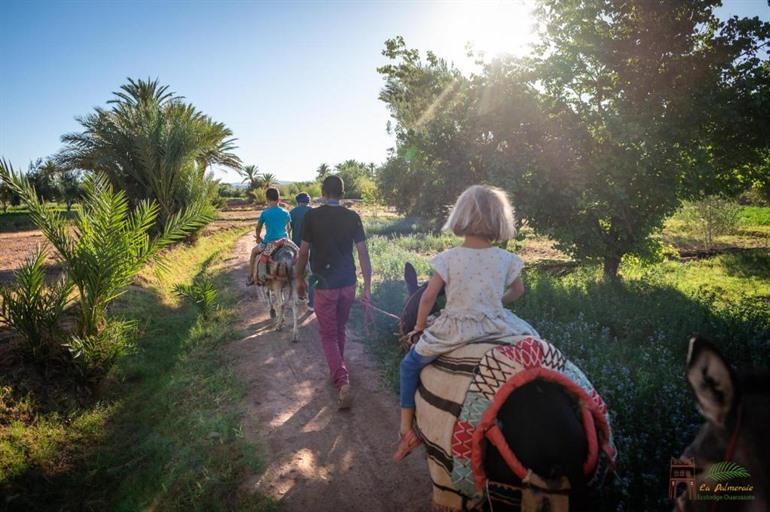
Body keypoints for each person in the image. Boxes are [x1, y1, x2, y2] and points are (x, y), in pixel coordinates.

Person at [393, 185, 539, 461]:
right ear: (499, 220)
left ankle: (405, 429)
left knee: (408, 366)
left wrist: (419, 328)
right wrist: (493, 304)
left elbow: (427, 298)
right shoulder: (506, 258)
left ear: (460, 217)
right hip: (497, 324)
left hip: (455, 329)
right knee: (537, 346)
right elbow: (518, 291)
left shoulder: (449, 258)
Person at [295, 176, 372, 410]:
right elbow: (363, 253)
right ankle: (337, 369)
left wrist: (299, 278)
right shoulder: (352, 217)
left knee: (328, 334)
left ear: (322, 192)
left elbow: (304, 252)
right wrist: (367, 286)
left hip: (324, 284)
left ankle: (341, 381)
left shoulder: (311, 216)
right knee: (339, 328)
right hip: (348, 283)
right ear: (343, 193)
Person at [248, 187, 292, 285]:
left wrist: (258, 237)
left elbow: (258, 228)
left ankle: (251, 277)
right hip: (284, 242)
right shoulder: (286, 212)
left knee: (253, 252)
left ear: (267, 199)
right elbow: (289, 228)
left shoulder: (265, 213)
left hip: (269, 243)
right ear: (279, 198)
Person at [290, 192, 314, 310]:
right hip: (312, 246)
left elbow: (289, 229)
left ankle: (300, 294)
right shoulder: (313, 211)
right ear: (308, 201)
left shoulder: (292, 212)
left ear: (298, 201)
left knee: (298, 271)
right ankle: (311, 301)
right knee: (311, 272)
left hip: (297, 246)